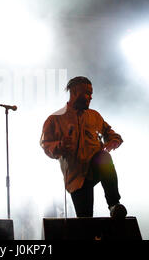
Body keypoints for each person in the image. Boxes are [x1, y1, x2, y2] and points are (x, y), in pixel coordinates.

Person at [40, 76, 127, 218]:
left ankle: (114, 204)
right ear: (74, 92)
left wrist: (114, 141)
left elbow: (111, 134)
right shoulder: (55, 119)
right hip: (76, 177)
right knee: (85, 220)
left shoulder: (94, 116)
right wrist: (60, 145)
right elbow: (46, 145)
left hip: (94, 167)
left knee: (103, 157)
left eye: (91, 93)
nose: (90, 97)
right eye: (87, 93)